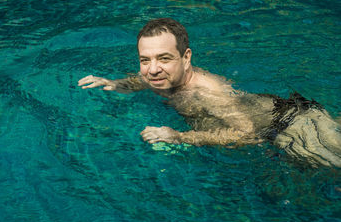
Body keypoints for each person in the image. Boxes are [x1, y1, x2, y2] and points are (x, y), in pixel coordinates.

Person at [78, 18, 341, 168]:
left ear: (186, 57)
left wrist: (180, 137)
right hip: (281, 121)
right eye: (145, 60)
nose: (153, 69)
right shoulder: (162, 76)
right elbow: (143, 80)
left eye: (164, 58)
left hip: (293, 125)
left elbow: (248, 134)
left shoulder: (204, 93)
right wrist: (113, 83)